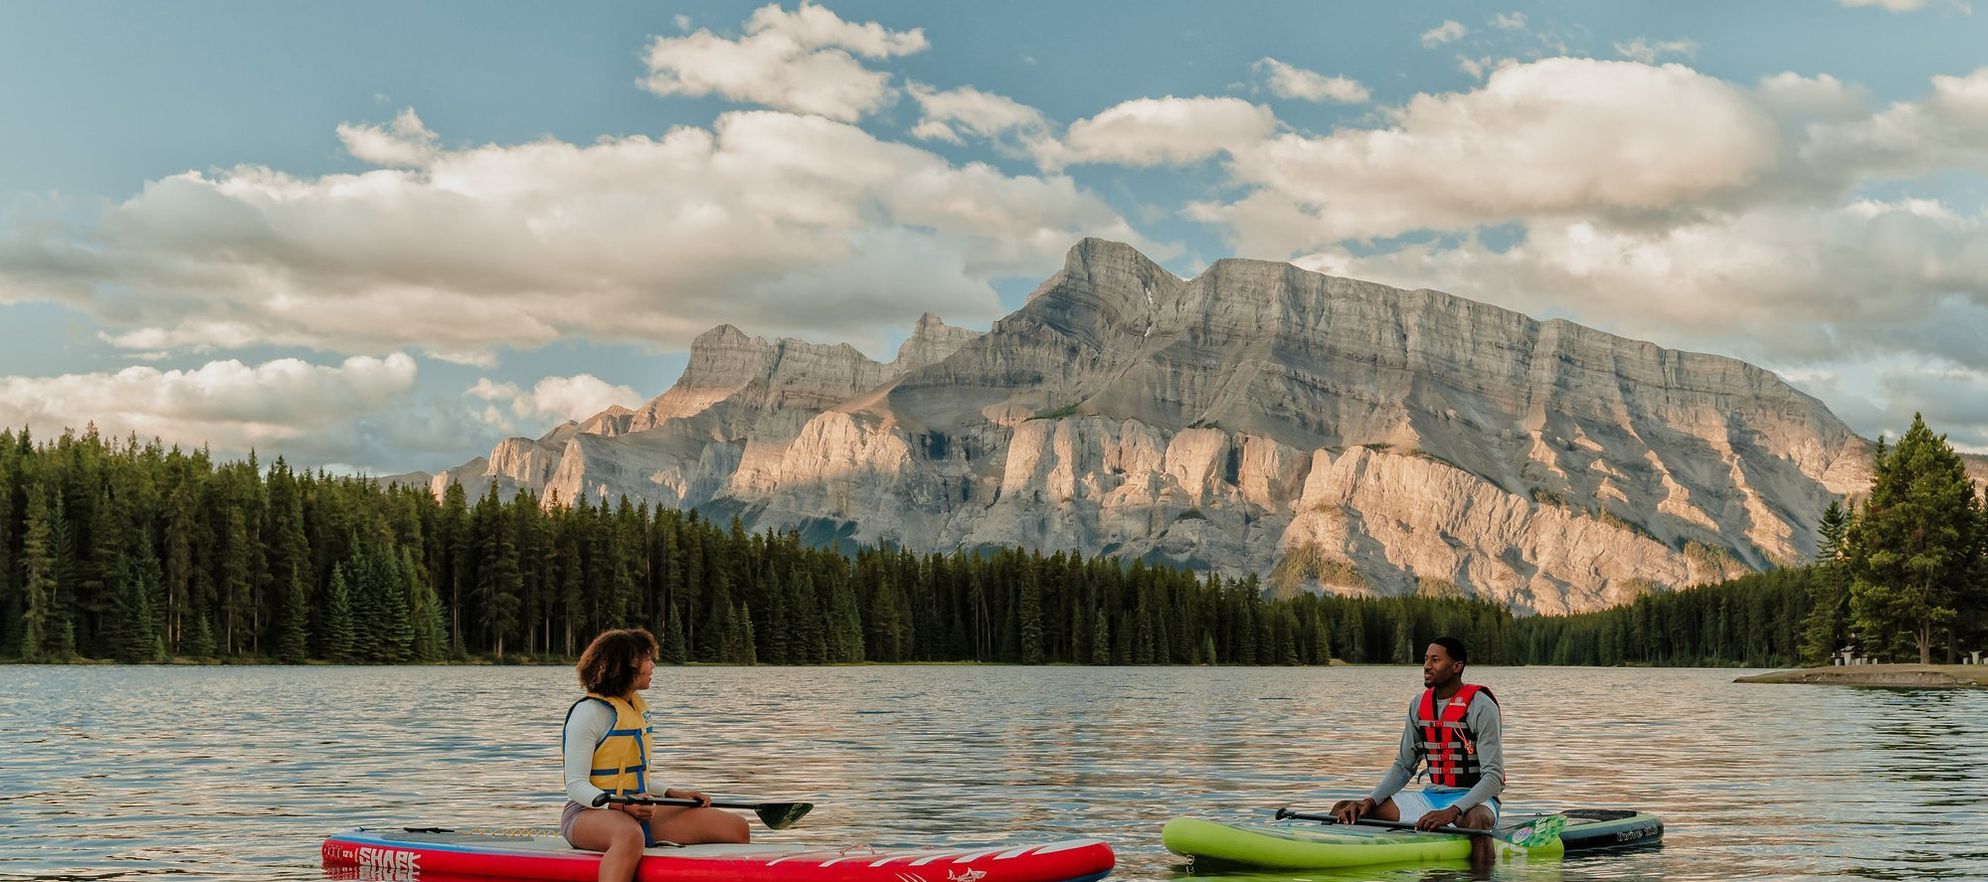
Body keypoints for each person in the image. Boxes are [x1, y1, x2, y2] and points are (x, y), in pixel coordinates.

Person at [562, 628, 747, 881]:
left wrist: (672, 793)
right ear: (627, 665)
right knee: (629, 835)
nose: (653, 666)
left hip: (639, 809)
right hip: (587, 814)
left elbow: (627, 775)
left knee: (735, 828)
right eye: (647, 658)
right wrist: (622, 806)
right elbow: (575, 786)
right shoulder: (589, 713)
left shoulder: (635, 708)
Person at [1331, 636, 1503, 864]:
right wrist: (1370, 801)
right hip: (1431, 799)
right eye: (1425, 659)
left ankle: (1481, 876)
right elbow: (1403, 766)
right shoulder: (1418, 705)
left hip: (1474, 802)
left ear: (1456, 667)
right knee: (1345, 809)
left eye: (1435, 660)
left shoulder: (1481, 706)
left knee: (1477, 822)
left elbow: (1494, 778)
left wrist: (1453, 811)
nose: (1426, 666)